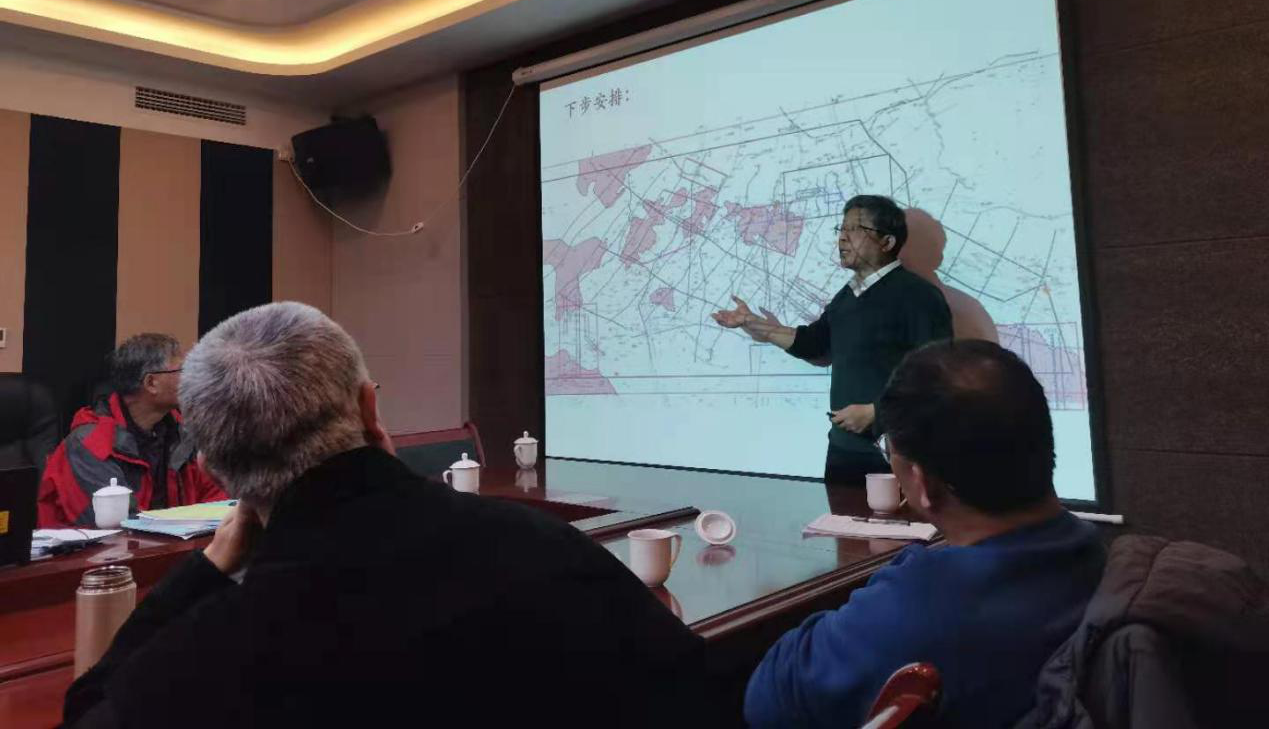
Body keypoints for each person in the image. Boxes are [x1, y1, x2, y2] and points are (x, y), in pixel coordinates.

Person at [63, 302, 711, 728]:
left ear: (215, 466)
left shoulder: (207, 653)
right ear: (372, 412)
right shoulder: (550, 546)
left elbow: (89, 708)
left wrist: (203, 571)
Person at [744, 340, 1107, 728]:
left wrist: (905, 574)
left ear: (921, 482)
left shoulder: (922, 603)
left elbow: (767, 698)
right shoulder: (1100, 556)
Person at [713, 194, 952, 483]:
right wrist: (751, 322)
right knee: (839, 515)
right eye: (841, 228)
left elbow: (939, 378)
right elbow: (814, 343)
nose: (842, 238)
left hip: (897, 456)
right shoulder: (847, 296)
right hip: (843, 450)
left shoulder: (919, 296)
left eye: (855, 229)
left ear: (887, 242)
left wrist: (876, 413)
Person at [37, 333, 224, 527]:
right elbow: (117, 525)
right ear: (151, 383)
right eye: (183, 370)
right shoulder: (89, 444)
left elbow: (218, 494)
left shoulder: (182, 431)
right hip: (101, 545)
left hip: (174, 541)